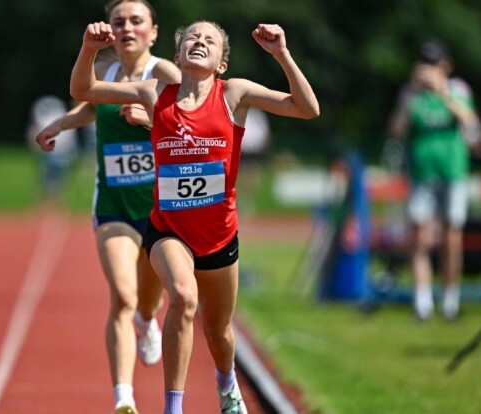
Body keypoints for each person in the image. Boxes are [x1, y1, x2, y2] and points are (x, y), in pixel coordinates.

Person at [70, 19, 319, 414]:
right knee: (184, 296)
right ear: (178, 55)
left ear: (222, 63)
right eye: (192, 38)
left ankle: (226, 381)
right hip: (168, 231)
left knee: (219, 333)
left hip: (219, 236)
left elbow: (307, 109)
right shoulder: (154, 93)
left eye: (209, 40)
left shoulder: (234, 93)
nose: (199, 42)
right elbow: (83, 90)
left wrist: (281, 54)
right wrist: (89, 49)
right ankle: (173, 407)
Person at [35, 1, 181, 413]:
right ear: (110, 32)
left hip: (159, 210)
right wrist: (60, 123)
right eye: (119, 22)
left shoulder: (166, 74)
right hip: (114, 205)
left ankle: (147, 322)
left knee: (148, 301)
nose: (127, 28)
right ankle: (124, 398)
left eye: (137, 21)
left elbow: (190, 123)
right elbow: (89, 101)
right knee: (122, 295)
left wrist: (151, 120)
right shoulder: (107, 72)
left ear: (153, 31)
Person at [388, 39, 481, 321]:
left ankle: (450, 300)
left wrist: (442, 92)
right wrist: (412, 94)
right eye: (424, 63)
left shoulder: (458, 89)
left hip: (453, 171)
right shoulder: (410, 94)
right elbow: (396, 131)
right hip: (421, 172)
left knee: (452, 237)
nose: (428, 69)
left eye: (433, 63)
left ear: (445, 66)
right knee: (420, 237)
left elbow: (470, 121)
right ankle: (422, 303)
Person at [27, 95, 79, 205]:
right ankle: (45, 202)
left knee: (59, 178)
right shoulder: (49, 120)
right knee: (46, 177)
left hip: (61, 151)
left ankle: (57, 202)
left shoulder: (63, 120)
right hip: (50, 151)